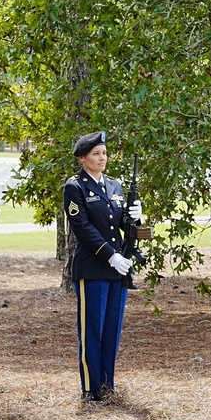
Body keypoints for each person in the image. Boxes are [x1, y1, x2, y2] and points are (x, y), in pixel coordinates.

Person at [63, 131, 143, 404]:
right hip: (92, 266)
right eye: (96, 154)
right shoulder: (75, 187)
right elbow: (82, 228)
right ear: (82, 158)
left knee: (112, 329)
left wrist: (136, 218)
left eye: (104, 153)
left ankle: (108, 383)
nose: (102, 158)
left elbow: (122, 225)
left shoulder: (115, 186)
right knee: (92, 329)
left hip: (117, 269)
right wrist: (110, 255)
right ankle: (90, 386)